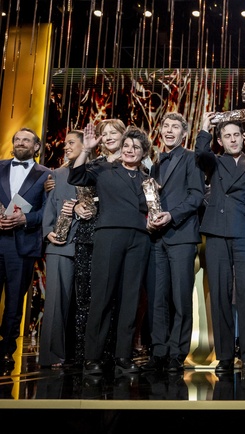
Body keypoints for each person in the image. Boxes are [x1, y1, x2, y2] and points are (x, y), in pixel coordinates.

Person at [68, 126, 153, 376]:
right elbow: (76, 177)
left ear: (144, 152)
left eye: (136, 147)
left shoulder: (147, 178)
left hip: (139, 238)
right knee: (102, 295)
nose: (129, 150)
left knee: (130, 298)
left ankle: (123, 357)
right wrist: (86, 150)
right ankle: (92, 357)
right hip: (109, 235)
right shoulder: (104, 169)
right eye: (126, 146)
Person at [195, 114, 245, 375]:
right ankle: (225, 357)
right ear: (220, 141)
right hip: (217, 233)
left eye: (236, 135)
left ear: (243, 138)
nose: (232, 140)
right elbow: (200, 155)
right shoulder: (216, 163)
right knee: (220, 295)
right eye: (227, 136)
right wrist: (204, 129)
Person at [141, 113, 204, 374]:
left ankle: (177, 353)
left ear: (184, 133)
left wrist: (172, 215)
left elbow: (197, 196)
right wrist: (149, 219)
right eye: (165, 126)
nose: (169, 130)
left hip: (181, 235)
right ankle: (159, 351)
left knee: (180, 298)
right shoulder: (153, 164)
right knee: (158, 298)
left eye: (175, 127)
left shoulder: (191, 158)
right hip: (156, 237)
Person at [71, 118, 126, 367]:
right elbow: (76, 178)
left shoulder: (134, 163)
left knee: (116, 296)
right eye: (105, 133)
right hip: (90, 234)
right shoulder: (94, 164)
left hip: (120, 234)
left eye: (115, 132)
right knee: (88, 295)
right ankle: (86, 353)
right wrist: (86, 149)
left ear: (124, 136)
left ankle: (113, 352)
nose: (110, 136)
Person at [0, 128, 50, 372]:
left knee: (14, 302)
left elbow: (48, 211)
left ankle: (6, 350)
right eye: (17, 139)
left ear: (36, 146)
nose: (20, 143)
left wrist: (25, 219)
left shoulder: (47, 175)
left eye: (26, 140)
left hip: (22, 245)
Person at [38, 130, 83, 369]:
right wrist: (48, 231)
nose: (66, 147)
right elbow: (49, 209)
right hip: (60, 246)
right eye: (65, 143)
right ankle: (52, 354)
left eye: (71, 143)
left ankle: (80, 354)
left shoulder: (97, 172)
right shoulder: (57, 174)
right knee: (56, 302)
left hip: (89, 247)